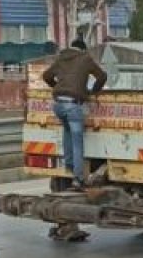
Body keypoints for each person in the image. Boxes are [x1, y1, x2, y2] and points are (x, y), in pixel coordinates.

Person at [41, 37, 106, 190]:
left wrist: (57, 86)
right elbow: (102, 76)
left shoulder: (61, 58)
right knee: (78, 141)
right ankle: (78, 178)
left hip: (58, 104)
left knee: (67, 132)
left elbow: (46, 76)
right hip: (73, 104)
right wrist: (93, 91)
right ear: (83, 49)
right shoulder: (85, 58)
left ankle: (69, 165)